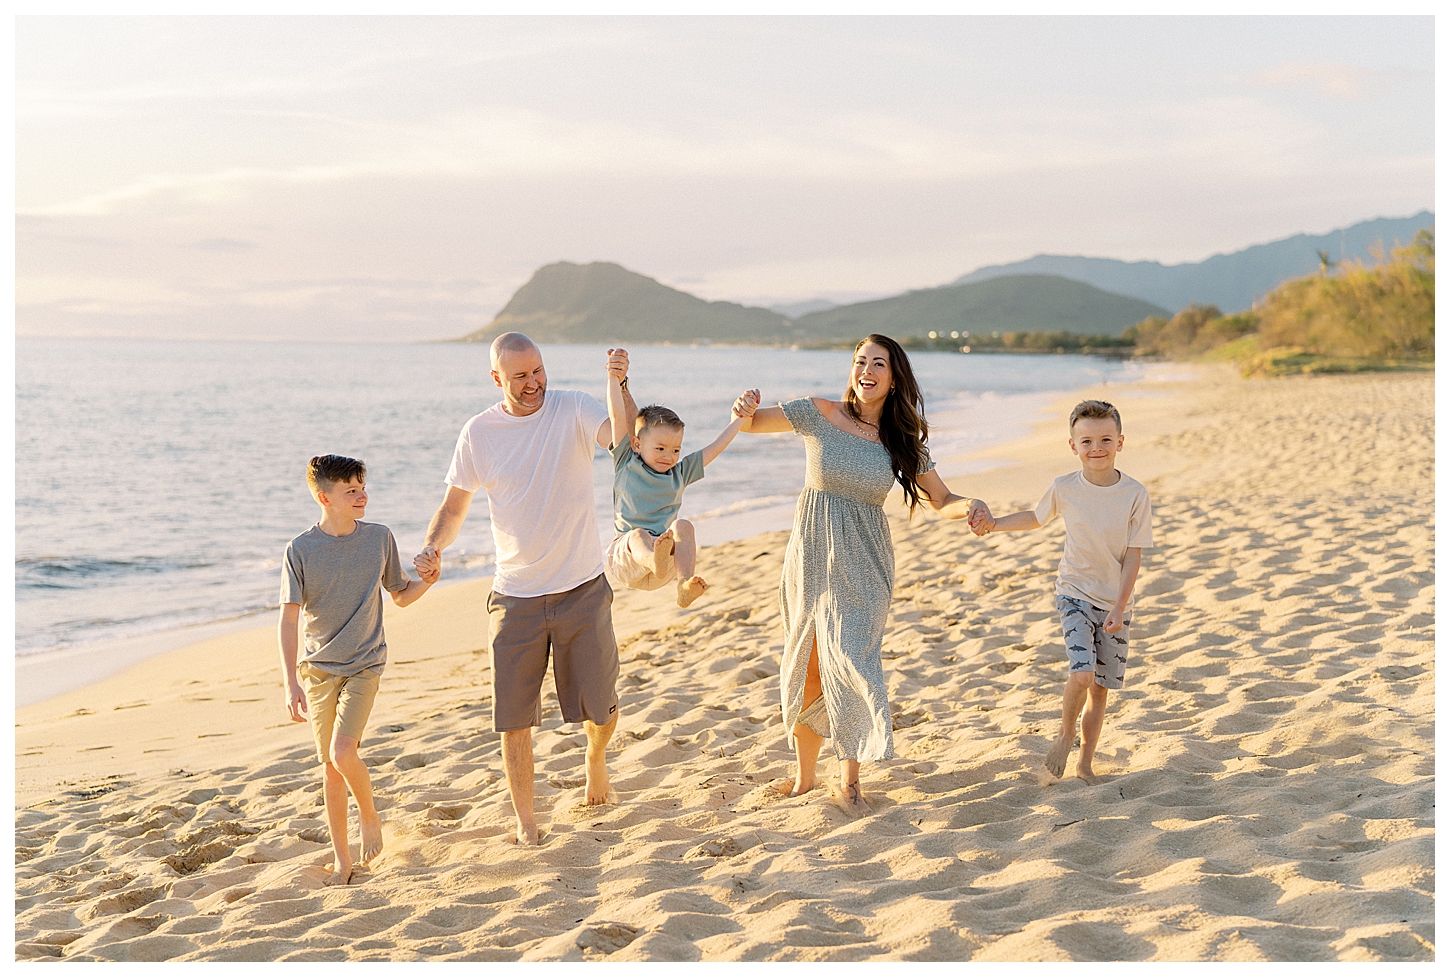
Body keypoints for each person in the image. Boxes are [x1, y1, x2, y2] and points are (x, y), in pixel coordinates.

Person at [736, 334, 988, 817]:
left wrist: (971, 506)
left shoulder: (901, 440)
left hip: (864, 561)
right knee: (810, 661)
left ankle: (849, 780)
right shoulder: (818, 413)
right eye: (860, 361)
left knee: (850, 658)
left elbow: (942, 500)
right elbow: (750, 425)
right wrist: (744, 406)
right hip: (809, 556)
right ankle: (806, 778)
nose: (866, 370)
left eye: (879, 364)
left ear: (894, 379)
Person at [415, 334, 635, 847]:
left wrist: (619, 383)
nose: (534, 382)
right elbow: (453, 507)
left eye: (538, 370)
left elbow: (626, 438)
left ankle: (596, 758)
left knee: (601, 706)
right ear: (498, 379)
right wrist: (433, 547)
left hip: (582, 586)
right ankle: (526, 822)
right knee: (514, 719)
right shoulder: (478, 433)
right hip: (515, 595)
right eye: (520, 375)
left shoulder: (575, 408)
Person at [968, 400, 1153, 783]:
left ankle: (1085, 763)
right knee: (1082, 674)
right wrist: (994, 524)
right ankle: (1065, 732)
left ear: (1121, 441)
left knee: (1100, 690)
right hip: (1073, 593)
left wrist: (1119, 606)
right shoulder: (1064, 487)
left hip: (1115, 602)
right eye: (1086, 441)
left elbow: (1133, 557)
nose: (1096, 447)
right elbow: (1036, 519)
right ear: (1073, 446)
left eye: (1105, 439)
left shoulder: (1135, 494)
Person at [278, 454, 440, 886]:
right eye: (350, 490)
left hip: (365, 664)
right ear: (323, 497)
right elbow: (289, 619)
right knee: (330, 768)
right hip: (317, 672)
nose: (361, 495)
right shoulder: (300, 550)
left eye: (362, 487)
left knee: (342, 752)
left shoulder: (379, 539)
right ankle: (342, 861)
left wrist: (430, 581)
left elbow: (400, 595)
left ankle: (369, 816)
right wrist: (291, 681)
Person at [604, 356, 760, 608]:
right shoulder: (625, 461)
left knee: (684, 525)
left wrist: (739, 419)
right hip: (626, 560)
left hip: (662, 568)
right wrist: (613, 378)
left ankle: (684, 584)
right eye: (661, 448)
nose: (669, 456)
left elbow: (716, 447)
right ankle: (654, 558)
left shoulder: (680, 473)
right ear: (637, 443)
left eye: (675, 450)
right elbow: (616, 415)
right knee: (638, 534)